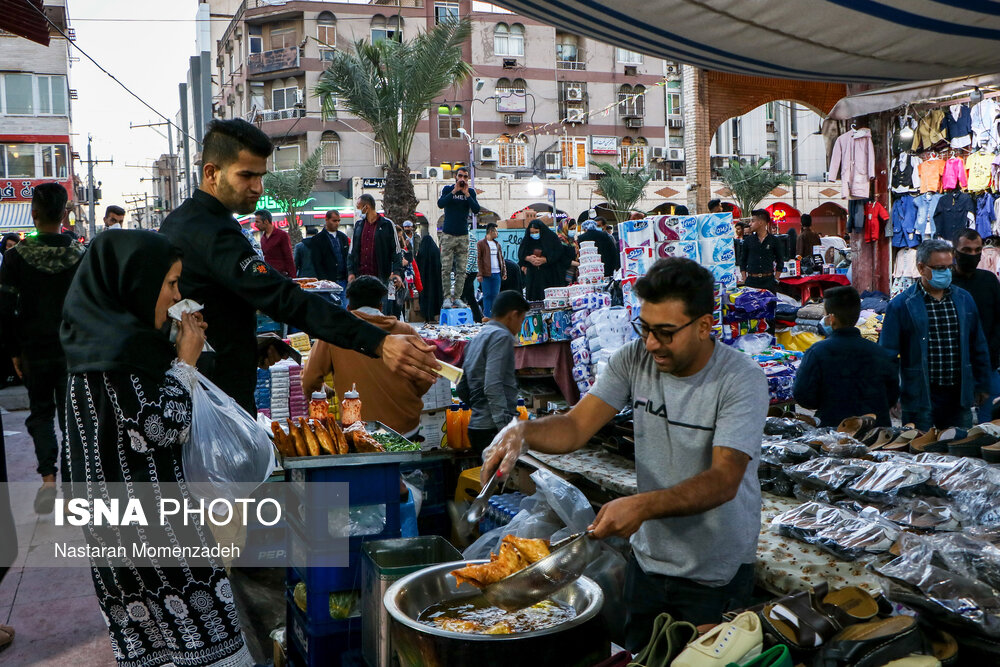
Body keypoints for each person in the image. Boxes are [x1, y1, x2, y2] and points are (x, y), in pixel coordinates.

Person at [482, 258, 767, 650]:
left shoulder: (740, 379)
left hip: (714, 573)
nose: (651, 343)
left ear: (704, 325)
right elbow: (576, 426)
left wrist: (642, 506)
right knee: (639, 656)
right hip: (648, 563)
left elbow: (724, 479)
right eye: (645, 328)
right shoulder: (635, 359)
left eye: (665, 333)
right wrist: (522, 431)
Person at [60, 230, 254, 667]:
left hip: (112, 529)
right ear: (136, 283)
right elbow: (157, 427)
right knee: (213, 645)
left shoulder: (93, 338)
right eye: (170, 283)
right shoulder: (123, 350)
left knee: (151, 647)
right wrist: (186, 361)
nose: (177, 295)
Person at [159, 118, 438, 415]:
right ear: (211, 173)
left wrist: (245, 345)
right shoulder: (211, 232)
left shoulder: (184, 222)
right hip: (212, 407)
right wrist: (379, 342)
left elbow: (202, 308)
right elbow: (284, 298)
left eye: (261, 176)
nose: (258, 188)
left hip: (208, 391)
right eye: (247, 176)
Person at [0, 182, 86, 514]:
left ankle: (48, 481)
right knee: (72, 419)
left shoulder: (14, 258)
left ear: (33, 213)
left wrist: (13, 352)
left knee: (40, 414)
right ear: (65, 214)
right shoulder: (81, 254)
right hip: (73, 352)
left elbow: (5, 311)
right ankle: (72, 487)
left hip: (33, 350)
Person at [301, 276, 434, 436]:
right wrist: (408, 395)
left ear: (348, 308)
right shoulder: (406, 331)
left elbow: (309, 380)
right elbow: (429, 372)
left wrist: (321, 391)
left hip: (357, 431)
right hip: (406, 427)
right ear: (380, 305)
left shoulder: (334, 333)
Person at [880, 239, 991, 430]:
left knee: (958, 450)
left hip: (958, 395)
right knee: (920, 452)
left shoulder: (964, 299)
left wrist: (982, 384)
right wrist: (891, 395)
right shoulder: (901, 305)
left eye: (949, 267)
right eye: (939, 268)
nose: (946, 273)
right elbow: (887, 355)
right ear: (921, 268)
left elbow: (977, 344)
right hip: (919, 394)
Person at [793, 286, 899, 427]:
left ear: (831, 318)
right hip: (876, 433)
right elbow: (892, 395)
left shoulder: (817, 352)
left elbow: (803, 395)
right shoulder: (879, 352)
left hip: (834, 433)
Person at [460, 290, 530, 454]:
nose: (520, 328)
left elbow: (462, 386)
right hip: (492, 429)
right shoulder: (502, 336)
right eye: (521, 321)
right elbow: (493, 384)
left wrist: (479, 408)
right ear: (513, 315)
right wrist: (504, 427)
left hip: (476, 427)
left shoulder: (478, 336)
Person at [950, 228, 1000, 422]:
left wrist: (993, 352)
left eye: (976, 250)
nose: (972, 255)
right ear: (955, 252)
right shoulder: (947, 283)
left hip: (987, 363)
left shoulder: (988, 281)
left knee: (990, 423)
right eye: (967, 250)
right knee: (956, 423)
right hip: (954, 366)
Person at [347, 194, 403, 306]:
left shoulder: (387, 224)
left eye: (358, 207)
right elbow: (352, 252)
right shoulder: (359, 225)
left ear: (366, 207)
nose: (357, 210)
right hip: (361, 278)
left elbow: (396, 251)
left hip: (381, 278)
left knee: (381, 312)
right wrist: (351, 272)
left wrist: (396, 273)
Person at [437, 167, 480, 308]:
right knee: (446, 268)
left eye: (465, 177)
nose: (462, 179)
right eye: (460, 176)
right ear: (456, 176)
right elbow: (440, 204)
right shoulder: (448, 189)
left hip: (463, 235)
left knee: (462, 270)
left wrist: (467, 193)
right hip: (448, 234)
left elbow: (476, 209)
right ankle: (447, 297)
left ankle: (458, 297)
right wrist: (454, 190)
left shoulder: (470, 192)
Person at [518, 219, 563, 301]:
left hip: (549, 274)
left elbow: (558, 252)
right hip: (533, 275)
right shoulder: (527, 239)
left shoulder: (551, 238)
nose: (534, 235)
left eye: (536, 232)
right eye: (532, 233)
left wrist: (545, 259)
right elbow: (521, 254)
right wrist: (529, 258)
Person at [739, 209, 783, 290]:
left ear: (761, 222)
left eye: (753, 221)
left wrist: (776, 278)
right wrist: (744, 278)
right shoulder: (748, 241)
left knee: (770, 302)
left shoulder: (774, 240)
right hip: (751, 281)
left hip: (769, 281)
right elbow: (743, 261)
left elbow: (780, 260)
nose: (750, 224)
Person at [306, 209, 350, 290]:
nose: (337, 223)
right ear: (326, 220)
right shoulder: (318, 239)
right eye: (334, 221)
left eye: (338, 221)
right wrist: (323, 280)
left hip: (343, 280)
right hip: (327, 281)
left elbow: (347, 257)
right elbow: (317, 262)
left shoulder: (343, 237)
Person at [477, 223, 507, 319]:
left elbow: (501, 259)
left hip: (497, 273)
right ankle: (487, 315)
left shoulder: (497, 244)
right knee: (487, 295)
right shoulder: (481, 244)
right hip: (486, 274)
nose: (497, 233)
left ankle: (495, 315)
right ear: (491, 231)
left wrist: (504, 272)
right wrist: (479, 274)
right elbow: (479, 259)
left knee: (495, 295)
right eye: (496, 231)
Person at [255, 209, 296, 278]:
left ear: (266, 221)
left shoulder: (282, 235)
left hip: (282, 277)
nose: (255, 225)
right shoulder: (263, 238)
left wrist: (294, 278)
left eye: (258, 222)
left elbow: (289, 258)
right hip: (269, 277)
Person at [416, 230, 444, 323]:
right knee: (434, 296)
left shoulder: (421, 251)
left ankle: (426, 317)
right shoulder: (435, 250)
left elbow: (418, 265)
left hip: (424, 280)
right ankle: (433, 316)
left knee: (425, 297)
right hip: (435, 281)